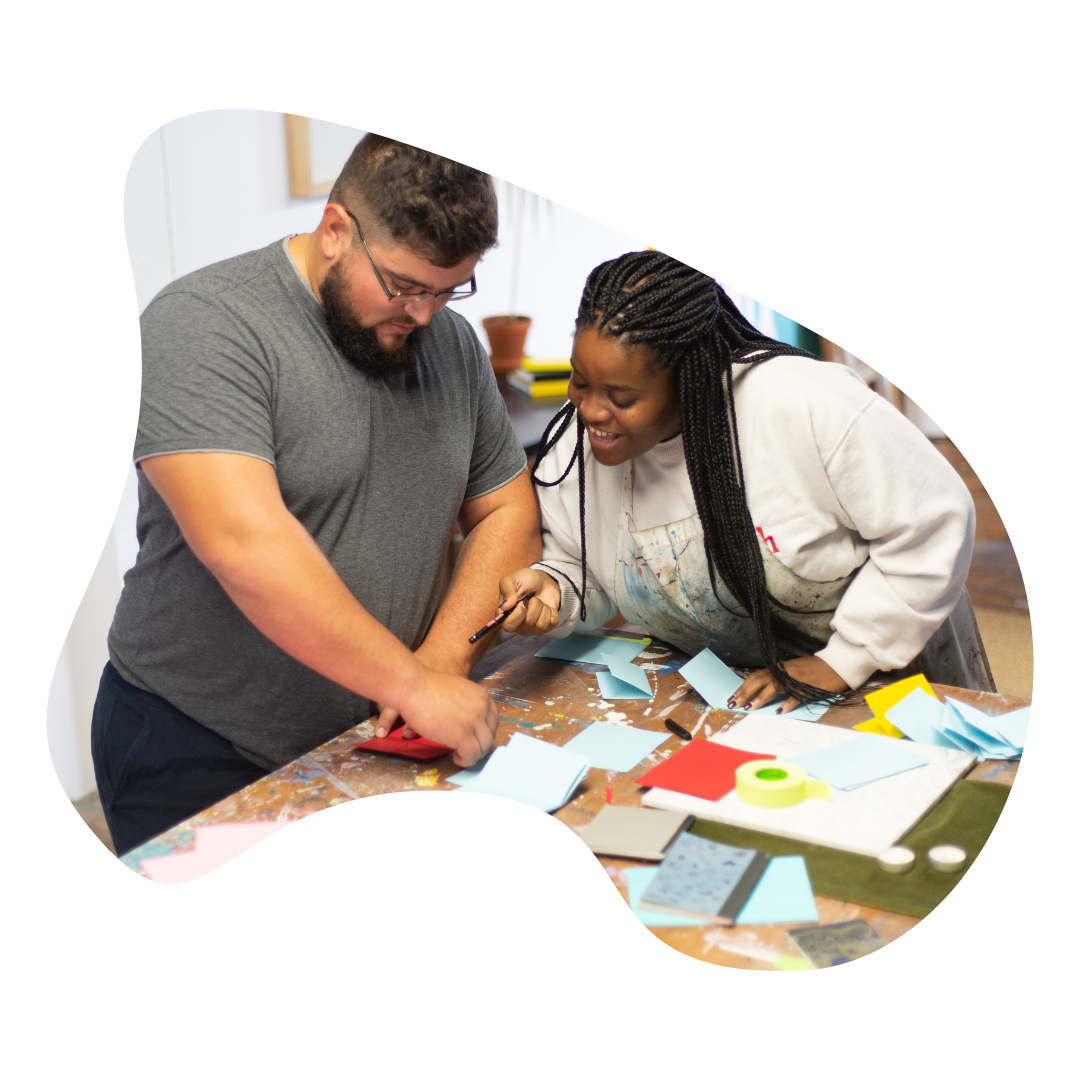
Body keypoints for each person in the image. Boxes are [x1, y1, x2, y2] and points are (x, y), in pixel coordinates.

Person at [96, 135, 541, 855]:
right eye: (403, 285)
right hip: (198, 744)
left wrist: (441, 662)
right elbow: (245, 547)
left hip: (372, 736)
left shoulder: (451, 344)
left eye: (448, 288)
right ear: (335, 230)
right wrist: (414, 685)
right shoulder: (203, 325)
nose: (424, 314)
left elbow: (508, 510)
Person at [495, 251, 993, 711]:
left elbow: (936, 516)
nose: (590, 411)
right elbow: (595, 566)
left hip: (893, 657)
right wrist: (554, 588)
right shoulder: (578, 443)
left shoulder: (801, 403)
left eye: (621, 398)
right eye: (580, 381)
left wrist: (843, 661)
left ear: (690, 377)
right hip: (747, 689)